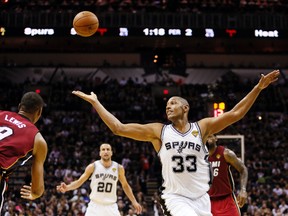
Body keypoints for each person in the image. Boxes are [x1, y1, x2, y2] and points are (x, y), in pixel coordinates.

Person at [72, 70, 279, 216]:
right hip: (175, 198)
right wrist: (96, 103)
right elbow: (119, 128)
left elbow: (235, 113)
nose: (168, 106)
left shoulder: (202, 127)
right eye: (167, 104)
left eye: (173, 103)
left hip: (201, 199)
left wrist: (258, 88)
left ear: (185, 107)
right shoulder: (159, 131)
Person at [56, 143, 142, 216]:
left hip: (111, 206)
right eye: (103, 149)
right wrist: (67, 187)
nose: (106, 151)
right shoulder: (92, 167)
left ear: (111, 153)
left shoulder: (119, 168)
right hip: (95, 206)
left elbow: (125, 185)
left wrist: (134, 201)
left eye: (108, 149)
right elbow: (79, 182)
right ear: (100, 153)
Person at [0, 91, 47, 212]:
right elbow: (37, 189)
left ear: (20, 106)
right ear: (39, 113)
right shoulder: (38, 140)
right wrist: (34, 194)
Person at [206, 134, 248, 216]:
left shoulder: (226, 153)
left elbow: (243, 169)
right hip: (207, 201)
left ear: (216, 138)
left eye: (210, 136)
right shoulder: (199, 157)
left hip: (226, 200)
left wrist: (243, 190)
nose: (208, 139)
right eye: (206, 136)